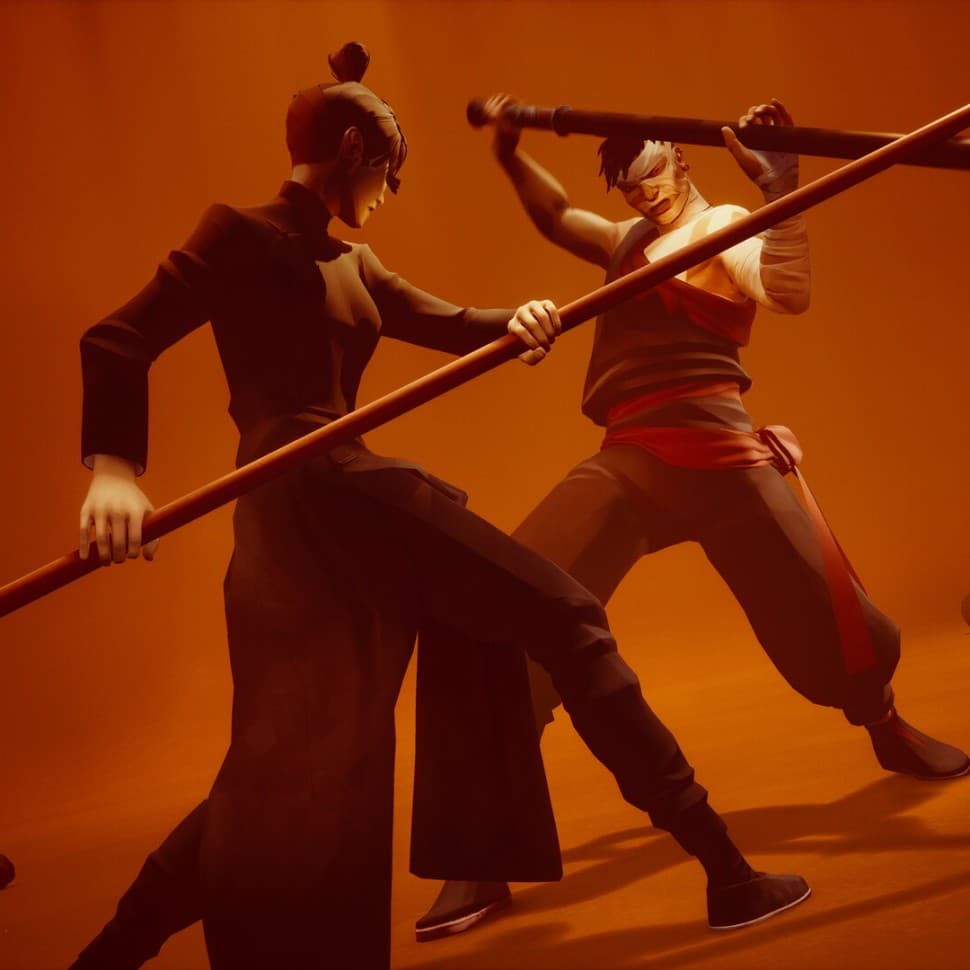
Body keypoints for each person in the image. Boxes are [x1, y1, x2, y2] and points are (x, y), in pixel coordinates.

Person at [68, 46, 810, 970]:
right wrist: (114, 470)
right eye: (389, 173)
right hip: (303, 503)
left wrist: (519, 319)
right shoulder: (238, 234)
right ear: (352, 150)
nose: (391, 192)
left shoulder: (356, 262)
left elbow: (452, 324)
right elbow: (118, 338)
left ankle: (103, 960)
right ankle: (725, 869)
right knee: (551, 621)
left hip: (340, 507)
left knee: (280, 772)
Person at [415, 95, 969, 940]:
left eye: (654, 177)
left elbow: (788, 291)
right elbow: (557, 215)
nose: (647, 196)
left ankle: (882, 720)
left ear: (680, 159)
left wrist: (781, 188)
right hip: (633, 455)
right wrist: (508, 151)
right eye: (631, 188)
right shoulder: (626, 239)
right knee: (513, 608)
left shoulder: (730, 226)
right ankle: (481, 849)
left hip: (719, 451)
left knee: (829, 612)